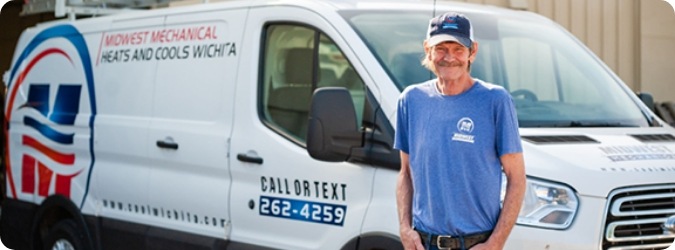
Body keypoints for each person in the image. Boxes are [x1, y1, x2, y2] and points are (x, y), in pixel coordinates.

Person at [394, 12, 526, 250]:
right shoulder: (411, 100)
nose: (449, 57)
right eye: (441, 48)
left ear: (472, 51)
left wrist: (495, 243)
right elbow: (405, 172)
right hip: (425, 243)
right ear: (428, 49)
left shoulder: (495, 101)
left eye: (458, 49)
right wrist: (405, 228)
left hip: (477, 243)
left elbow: (517, 179)